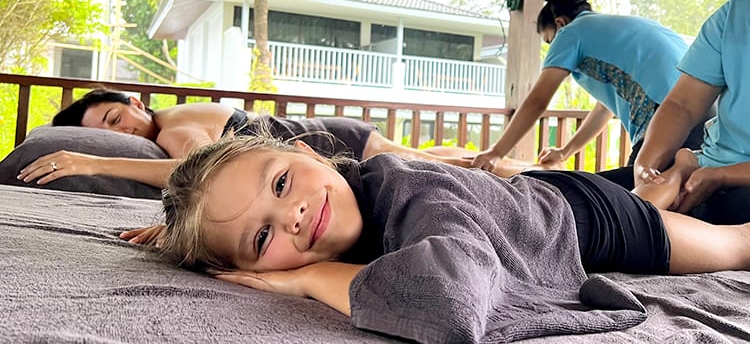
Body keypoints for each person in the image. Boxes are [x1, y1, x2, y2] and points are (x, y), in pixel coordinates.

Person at [156, 133, 750, 343]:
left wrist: (310, 276)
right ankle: (670, 179)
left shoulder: (415, 192)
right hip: (521, 204)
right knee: (660, 199)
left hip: (583, 215)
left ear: (308, 152)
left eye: (283, 181)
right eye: (261, 238)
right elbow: (223, 220)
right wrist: (175, 235)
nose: (292, 215)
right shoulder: (338, 206)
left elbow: (450, 303)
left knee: (733, 247)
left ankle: (678, 178)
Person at [18, 89, 557, 191]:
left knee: (450, 168)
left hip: (326, 141)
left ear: (136, 103)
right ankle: (525, 168)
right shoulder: (177, 118)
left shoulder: (174, 128)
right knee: (433, 159)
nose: (124, 132)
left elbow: (193, 173)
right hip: (322, 135)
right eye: (107, 135)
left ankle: (533, 176)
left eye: (115, 119)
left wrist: (87, 160)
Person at [471, 0, 712, 187]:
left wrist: (496, 152)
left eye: (549, 40)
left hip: (670, 120)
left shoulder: (570, 33)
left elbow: (537, 100)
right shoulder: (615, 28)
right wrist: (565, 152)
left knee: (618, 201)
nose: (552, 47)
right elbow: (604, 109)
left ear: (559, 23)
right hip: (710, 120)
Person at [634, 0, 750, 224]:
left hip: (728, 184)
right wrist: (646, 168)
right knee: (572, 199)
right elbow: (682, 105)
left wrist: (720, 176)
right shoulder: (735, 16)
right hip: (703, 169)